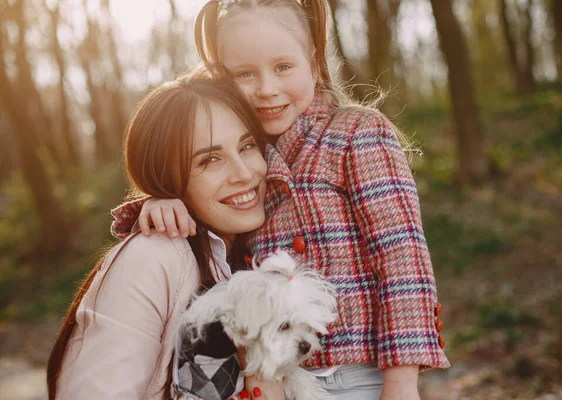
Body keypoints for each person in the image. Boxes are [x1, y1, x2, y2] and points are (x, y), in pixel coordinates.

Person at [111, 0, 451, 399]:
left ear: (312, 59)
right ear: (223, 78)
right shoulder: (246, 158)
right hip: (272, 378)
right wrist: (161, 202)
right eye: (245, 74)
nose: (267, 89)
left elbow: (401, 260)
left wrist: (401, 382)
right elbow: (213, 224)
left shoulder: (356, 134)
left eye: (283, 67)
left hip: (359, 373)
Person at [45, 66, 271, 400]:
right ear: (167, 180)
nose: (244, 173)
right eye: (210, 159)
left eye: (248, 146)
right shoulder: (152, 255)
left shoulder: (261, 250)